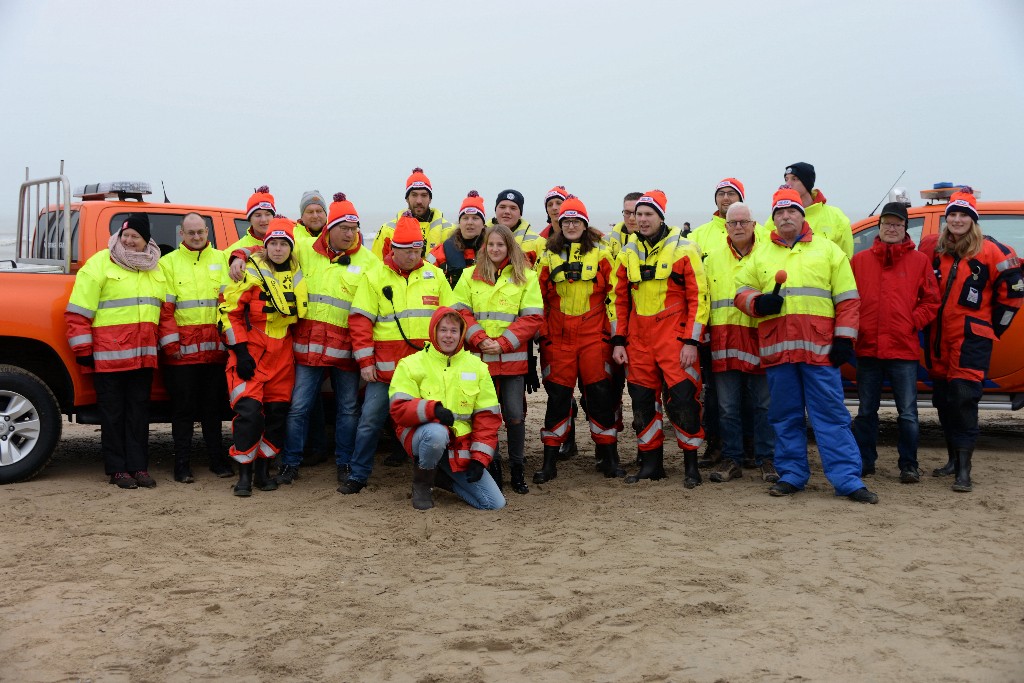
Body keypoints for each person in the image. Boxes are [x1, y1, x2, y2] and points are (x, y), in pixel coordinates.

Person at [735, 186, 878, 503]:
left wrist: (844, 339)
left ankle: (847, 480)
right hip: (779, 353)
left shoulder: (828, 251)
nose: (786, 216)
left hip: (821, 352)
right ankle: (792, 475)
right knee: (784, 418)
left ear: (802, 215)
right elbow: (740, 291)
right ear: (774, 219)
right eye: (780, 212)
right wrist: (758, 304)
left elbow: (849, 301)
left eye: (791, 211)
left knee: (832, 417)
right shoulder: (761, 254)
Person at [920, 189, 1023, 492]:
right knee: (943, 399)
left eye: (964, 214)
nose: (957, 219)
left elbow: (1014, 292)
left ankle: (964, 471)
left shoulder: (992, 251)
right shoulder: (936, 249)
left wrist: (992, 328)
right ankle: (952, 460)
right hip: (938, 338)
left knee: (964, 398)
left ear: (973, 219)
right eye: (952, 214)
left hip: (971, 339)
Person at [273, 193, 379, 485]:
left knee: (347, 410)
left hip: (346, 351)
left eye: (354, 228)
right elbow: (270, 249)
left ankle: (344, 463)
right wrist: (238, 257)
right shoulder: (305, 249)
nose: (349, 233)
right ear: (330, 227)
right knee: (298, 407)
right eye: (343, 227)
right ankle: (291, 462)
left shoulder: (369, 262)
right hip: (309, 349)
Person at [346, 213, 456, 494]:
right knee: (370, 421)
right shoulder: (374, 277)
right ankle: (357, 474)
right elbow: (360, 321)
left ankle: (438, 475)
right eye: (406, 249)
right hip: (385, 371)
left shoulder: (436, 275)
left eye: (417, 249)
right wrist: (365, 362)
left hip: (425, 371)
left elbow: (452, 320)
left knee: (434, 422)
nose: (412, 255)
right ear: (392, 248)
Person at [65, 213, 175, 488]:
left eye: (134, 237)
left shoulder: (155, 268)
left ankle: (138, 467)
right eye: (125, 235)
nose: (128, 240)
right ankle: (117, 470)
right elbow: (78, 313)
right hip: (108, 359)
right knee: (113, 416)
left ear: (145, 240)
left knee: (139, 415)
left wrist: (171, 345)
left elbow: (165, 313)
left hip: (143, 358)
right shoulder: (100, 264)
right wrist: (82, 349)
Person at [612, 189, 709, 489]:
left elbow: (700, 298)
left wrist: (692, 342)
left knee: (684, 403)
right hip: (638, 342)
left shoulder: (685, 249)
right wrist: (618, 340)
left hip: (675, 339)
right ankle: (651, 465)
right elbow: (617, 299)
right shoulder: (627, 252)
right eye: (638, 214)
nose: (641, 220)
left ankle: (691, 465)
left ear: (661, 217)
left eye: (648, 214)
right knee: (642, 404)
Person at [535, 195, 623, 484]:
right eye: (566, 221)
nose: (571, 225)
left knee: (600, 397)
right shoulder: (547, 256)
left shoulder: (601, 254)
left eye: (576, 221)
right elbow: (538, 299)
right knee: (558, 399)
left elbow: (614, 296)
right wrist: (543, 334)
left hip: (593, 337)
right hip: (559, 339)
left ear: (585, 224)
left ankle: (608, 456)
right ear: (559, 224)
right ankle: (550, 461)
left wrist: (616, 335)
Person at [850, 202, 940, 483]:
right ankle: (866, 463)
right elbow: (849, 300)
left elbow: (932, 300)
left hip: (903, 349)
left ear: (905, 229)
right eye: (887, 224)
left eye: (897, 225)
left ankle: (909, 465)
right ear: (879, 227)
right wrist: (858, 327)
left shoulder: (919, 262)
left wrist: (912, 321)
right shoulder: (860, 260)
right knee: (865, 411)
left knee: (909, 413)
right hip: (868, 348)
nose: (891, 228)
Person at [452, 224, 543, 494]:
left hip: (512, 360)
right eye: (490, 244)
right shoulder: (469, 276)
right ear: (484, 247)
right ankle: (493, 465)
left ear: (510, 247)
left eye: (500, 245)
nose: (495, 249)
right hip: (479, 361)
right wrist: (480, 339)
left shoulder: (526, 276)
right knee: (485, 415)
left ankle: (517, 468)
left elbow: (533, 318)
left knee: (515, 416)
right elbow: (459, 312)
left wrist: (502, 343)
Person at [219, 218, 308, 496]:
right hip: (253, 350)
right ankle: (243, 474)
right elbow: (227, 313)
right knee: (249, 415)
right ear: (265, 246)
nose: (278, 249)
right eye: (273, 243)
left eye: (284, 244)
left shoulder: (297, 272)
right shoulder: (249, 273)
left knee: (277, 416)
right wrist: (241, 351)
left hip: (283, 353)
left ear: (290, 248)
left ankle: (262, 471)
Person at [389, 307, 506, 510]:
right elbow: (398, 409)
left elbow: (487, 417)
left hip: (459, 445)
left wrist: (479, 459)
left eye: (454, 331)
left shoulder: (477, 367)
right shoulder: (411, 364)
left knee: (494, 503)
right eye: (443, 330)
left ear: (462, 334)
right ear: (434, 331)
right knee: (436, 433)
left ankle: (441, 478)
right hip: (422, 437)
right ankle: (423, 484)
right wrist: (432, 410)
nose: (448, 336)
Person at [704, 202, 778, 484]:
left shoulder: (768, 254)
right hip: (723, 342)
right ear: (725, 226)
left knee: (763, 405)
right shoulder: (712, 258)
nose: (738, 227)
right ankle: (731, 459)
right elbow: (703, 299)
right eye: (732, 223)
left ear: (753, 224)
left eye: (743, 222)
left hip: (759, 339)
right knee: (727, 408)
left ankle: (766, 458)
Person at [158, 212, 233, 483]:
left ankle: (217, 460)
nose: (197, 237)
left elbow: (230, 304)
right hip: (182, 355)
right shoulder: (168, 264)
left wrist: (229, 342)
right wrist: (170, 345)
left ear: (207, 232)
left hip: (215, 352)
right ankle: (182, 465)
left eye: (200, 232)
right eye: (191, 233)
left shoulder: (223, 260)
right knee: (183, 412)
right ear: (182, 234)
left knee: (213, 411)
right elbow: (165, 311)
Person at [688, 178, 757, 467]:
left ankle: (753, 449)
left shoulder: (761, 234)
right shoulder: (700, 235)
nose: (725, 198)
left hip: (752, 329)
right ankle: (716, 447)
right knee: (716, 396)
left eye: (731, 194)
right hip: (715, 329)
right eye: (721, 194)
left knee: (753, 396)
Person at [764, 163, 853, 258]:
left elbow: (845, 258)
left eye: (794, 179)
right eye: (786, 179)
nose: (788, 184)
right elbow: (766, 251)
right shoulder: (775, 219)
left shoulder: (835, 216)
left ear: (807, 182)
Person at [372, 167, 455, 259]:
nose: (419, 201)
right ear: (407, 198)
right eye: (414, 195)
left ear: (430, 199)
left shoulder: (450, 232)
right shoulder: (387, 231)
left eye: (424, 195)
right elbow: (375, 267)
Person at [427, 190, 487, 288]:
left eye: (475, 218)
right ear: (459, 223)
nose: (470, 222)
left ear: (483, 224)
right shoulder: (441, 252)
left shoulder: (493, 250)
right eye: (465, 218)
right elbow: (425, 277)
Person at [492, 189, 542, 266]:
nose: (507, 211)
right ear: (495, 210)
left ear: (520, 214)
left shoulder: (538, 242)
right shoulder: (481, 236)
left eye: (513, 208)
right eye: (502, 207)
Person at [227, 185, 276, 254]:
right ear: (249, 219)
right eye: (258, 215)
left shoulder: (287, 244)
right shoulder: (235, 250)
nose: (263, 220)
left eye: (267, 214)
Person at [606, 191, 642, 259]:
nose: (631, 218)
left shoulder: (656, 243)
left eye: (636, 213)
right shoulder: (606, 241)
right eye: (627, 213)